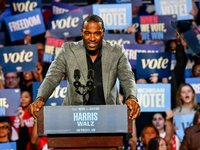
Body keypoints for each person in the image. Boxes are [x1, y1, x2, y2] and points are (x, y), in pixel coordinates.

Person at [28, 14, 140, 120]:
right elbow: (52, 77)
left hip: (109, 117)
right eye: (88, 33)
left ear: (103, 33)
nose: (92, 38)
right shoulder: (68, 50)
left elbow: (127, 78)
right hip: (75, 117)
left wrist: (132, 98)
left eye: (96, 33)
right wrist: (40, 98)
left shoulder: (116, 51)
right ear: (82, 32)